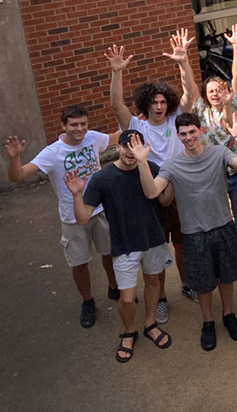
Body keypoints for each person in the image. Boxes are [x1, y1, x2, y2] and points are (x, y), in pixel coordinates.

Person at [136, 112, 237, 351]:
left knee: (227, 276)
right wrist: (141, 162)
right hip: (194, 234)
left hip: (222, 226)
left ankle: (228, 314)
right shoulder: (172, 165)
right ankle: (208, 321)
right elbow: (151, 193)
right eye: (183, 134)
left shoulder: (219, 153)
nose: (189, 137)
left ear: (200, 131)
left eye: (192, 132)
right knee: (202, 283)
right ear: (178, 136)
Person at [107, 32, 198, 315]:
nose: (159, 107)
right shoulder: (137, 126)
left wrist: (184, 63)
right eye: (154, 103)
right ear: (146, 104)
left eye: (162, 102)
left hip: (178, 191)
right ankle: (159, 300)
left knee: (182, 246)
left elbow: (190, 95)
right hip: (149, 192)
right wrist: (117, 73)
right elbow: (116, 105)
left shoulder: (176, 119)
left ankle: (186, 284)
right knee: (157, 252)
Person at [4, 105, 118, 328]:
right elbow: (17, 176)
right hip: (73, 218)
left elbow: (115, 137)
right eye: (74, 125)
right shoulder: (52, 153)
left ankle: (114, 287)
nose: (79, 129)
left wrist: (136, 123)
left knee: (110, 253)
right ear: (63, 126)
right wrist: (15, 158)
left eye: (83, 124)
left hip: (100, 210)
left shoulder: (93, 138)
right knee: (80, 262)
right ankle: (88, 302)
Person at [65, 129, 171, 363]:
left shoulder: (151, 169)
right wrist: (76, 194)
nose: (130, 151)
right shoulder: (102, 179)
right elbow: (83, 218)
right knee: (126, 298)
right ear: (117, 148)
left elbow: (162, 200)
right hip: (124, 245)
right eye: (126, 145)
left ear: (143, 149)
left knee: (153, 281)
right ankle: (128, 331)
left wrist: (176, 179)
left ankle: (150, 323)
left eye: (136, 146)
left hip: (153, 238)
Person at [190, 23, 237, 268]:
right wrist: (182, 62)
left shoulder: (235, 104)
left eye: (219, 89)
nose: (215, 93)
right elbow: (189, 84)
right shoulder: (200, 109)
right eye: (211, 90)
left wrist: (236, 47)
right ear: (205, 94)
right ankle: (223, 252)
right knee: (217, 217)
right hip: (212, 174)